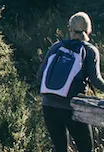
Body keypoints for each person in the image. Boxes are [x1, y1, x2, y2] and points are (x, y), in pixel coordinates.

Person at [39, 12, 104, 152]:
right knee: (86, 148)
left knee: (60, 148)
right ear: (89, 30)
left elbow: (40, 75)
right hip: (73, 107)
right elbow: (96, 81)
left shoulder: (56, 47)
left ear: (70, 29)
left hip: (48, 105)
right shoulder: (89, 50)